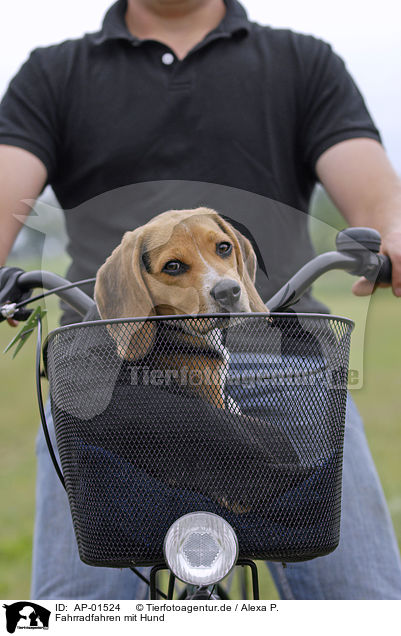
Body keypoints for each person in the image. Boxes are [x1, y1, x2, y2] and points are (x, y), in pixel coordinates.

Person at [1, 0, 401, 600]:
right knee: (71, 612)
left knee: (366, 603)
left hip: (286, 362)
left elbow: (376, 200)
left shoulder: (303, 61)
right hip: (110, 372)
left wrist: (392, 230)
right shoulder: (53, 72)